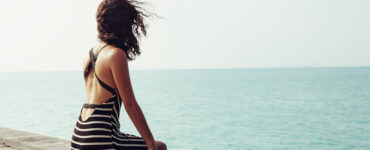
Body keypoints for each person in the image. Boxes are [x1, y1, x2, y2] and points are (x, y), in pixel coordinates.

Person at [70, 0, 166, 149]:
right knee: (160, 147)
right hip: (101, 137)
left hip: (79, 135)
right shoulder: (115, 55)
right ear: (124, 25)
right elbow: (130, 104)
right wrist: (150, 143)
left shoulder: (90, 55)